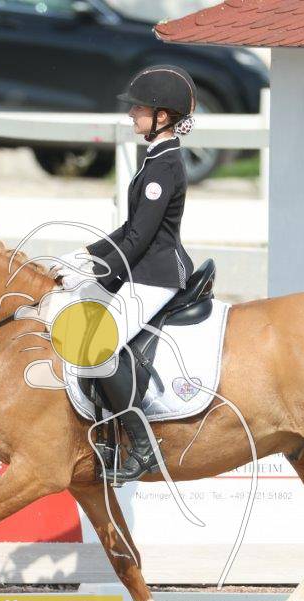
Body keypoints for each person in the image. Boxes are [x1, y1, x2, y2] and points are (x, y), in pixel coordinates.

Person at [49, 64, 198, 482]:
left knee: (98, 349)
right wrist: (85, 254)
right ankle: (107, 435)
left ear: (162, 117)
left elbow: (139, 239)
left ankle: (144, 446)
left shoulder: (164, 166)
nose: (132, 113)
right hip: (142, 268)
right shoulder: (156, 158)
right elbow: (129, 229)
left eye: (140, 108)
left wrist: (96, 274)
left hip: (155, 274)